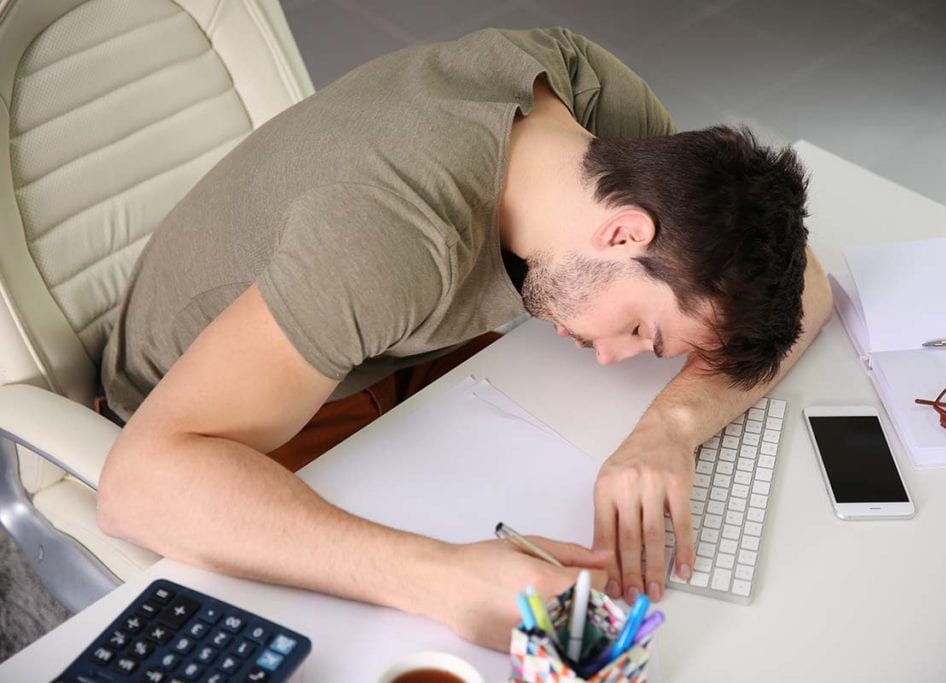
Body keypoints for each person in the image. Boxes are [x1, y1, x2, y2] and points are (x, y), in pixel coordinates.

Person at [96, 27, 831, 650]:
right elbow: (138, 487)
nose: (614, 355)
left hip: (389, 340)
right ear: (622, 232)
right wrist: (443, 579)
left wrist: (668, 429)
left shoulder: (600, 117)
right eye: (642, 328)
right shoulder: (385, 237)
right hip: (221, 413)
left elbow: (808, 286)